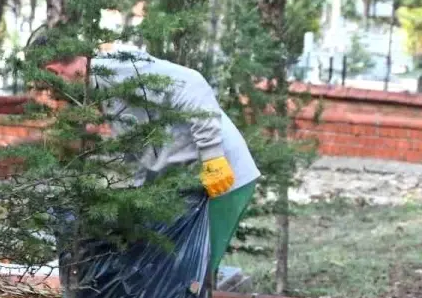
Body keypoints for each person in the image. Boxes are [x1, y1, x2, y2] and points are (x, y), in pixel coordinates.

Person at [42, 47, 260, 275]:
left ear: (54, 71)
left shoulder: (117, 69)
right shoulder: (102, 87)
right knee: (176, 276)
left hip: (222, 178)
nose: (55, 94)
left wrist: (213, 155)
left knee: (192, 276)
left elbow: (192, 83)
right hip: (192, 184)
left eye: (50, 86)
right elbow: (142, 149)